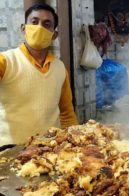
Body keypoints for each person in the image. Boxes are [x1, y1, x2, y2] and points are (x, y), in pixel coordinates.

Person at [0, 3, 78, 145]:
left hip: (51, 149)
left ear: (54, 35)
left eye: (47, 24)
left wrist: (76, 142)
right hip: (9, 152)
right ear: (24, 29)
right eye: (34, 22)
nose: (39, 28)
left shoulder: (60, 68)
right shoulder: (6, 61)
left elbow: (67, 114)